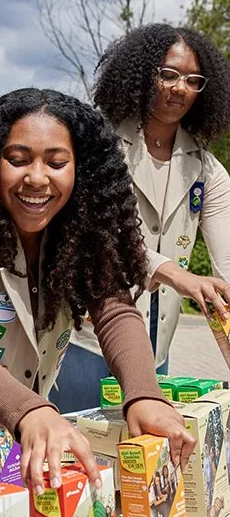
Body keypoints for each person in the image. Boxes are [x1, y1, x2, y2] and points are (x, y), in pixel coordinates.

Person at [0, 88, 195, 494]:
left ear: (81, 170)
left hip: (19, 435)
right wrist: (29, 410)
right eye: (17, 159)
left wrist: (143, 396)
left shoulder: (81, 240)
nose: (36, 177)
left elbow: (117, 312)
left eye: (56, 162)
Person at [53, 24, 230, 411]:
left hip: (156, 345)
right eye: (168, 74)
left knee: (142, 462)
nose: (179, 87)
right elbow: (93, 233)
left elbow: (227, 262)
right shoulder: (96, 146)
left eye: (192, 80)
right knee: (80, 458)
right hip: (89, 336)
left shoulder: (207, 169)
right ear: (140, 74)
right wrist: (177, 274)